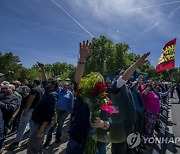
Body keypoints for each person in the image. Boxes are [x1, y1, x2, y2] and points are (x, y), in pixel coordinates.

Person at [92, 52, 150, 154]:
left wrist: (137, 81)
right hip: (121, 128)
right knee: (120, 150)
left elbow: (131, 87)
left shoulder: (125, 87)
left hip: (128, 125)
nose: (124, 74)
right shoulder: (116, 85)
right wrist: (136, 65)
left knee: (128, 148)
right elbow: (124, 78)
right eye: (122, 73)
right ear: (116, 76)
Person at [5, 80, 43, 149]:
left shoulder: (34, 90)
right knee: (32, 127)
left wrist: (26, 110)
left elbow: (30, 100)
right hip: (35, 111)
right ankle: (30, 142)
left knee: (22, 126)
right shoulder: (41, 90)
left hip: (29, 110)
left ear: (34, 83)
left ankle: (16, 142)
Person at [27, 78, 58, 154]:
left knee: (33, 146)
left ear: (53, 85)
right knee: (39, 144)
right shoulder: (47, 93)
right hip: (38, 122)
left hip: (41, 124)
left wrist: (42, 128)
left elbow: (50, 113)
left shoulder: (53, 95)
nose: (46, 83)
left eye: (48, 82)